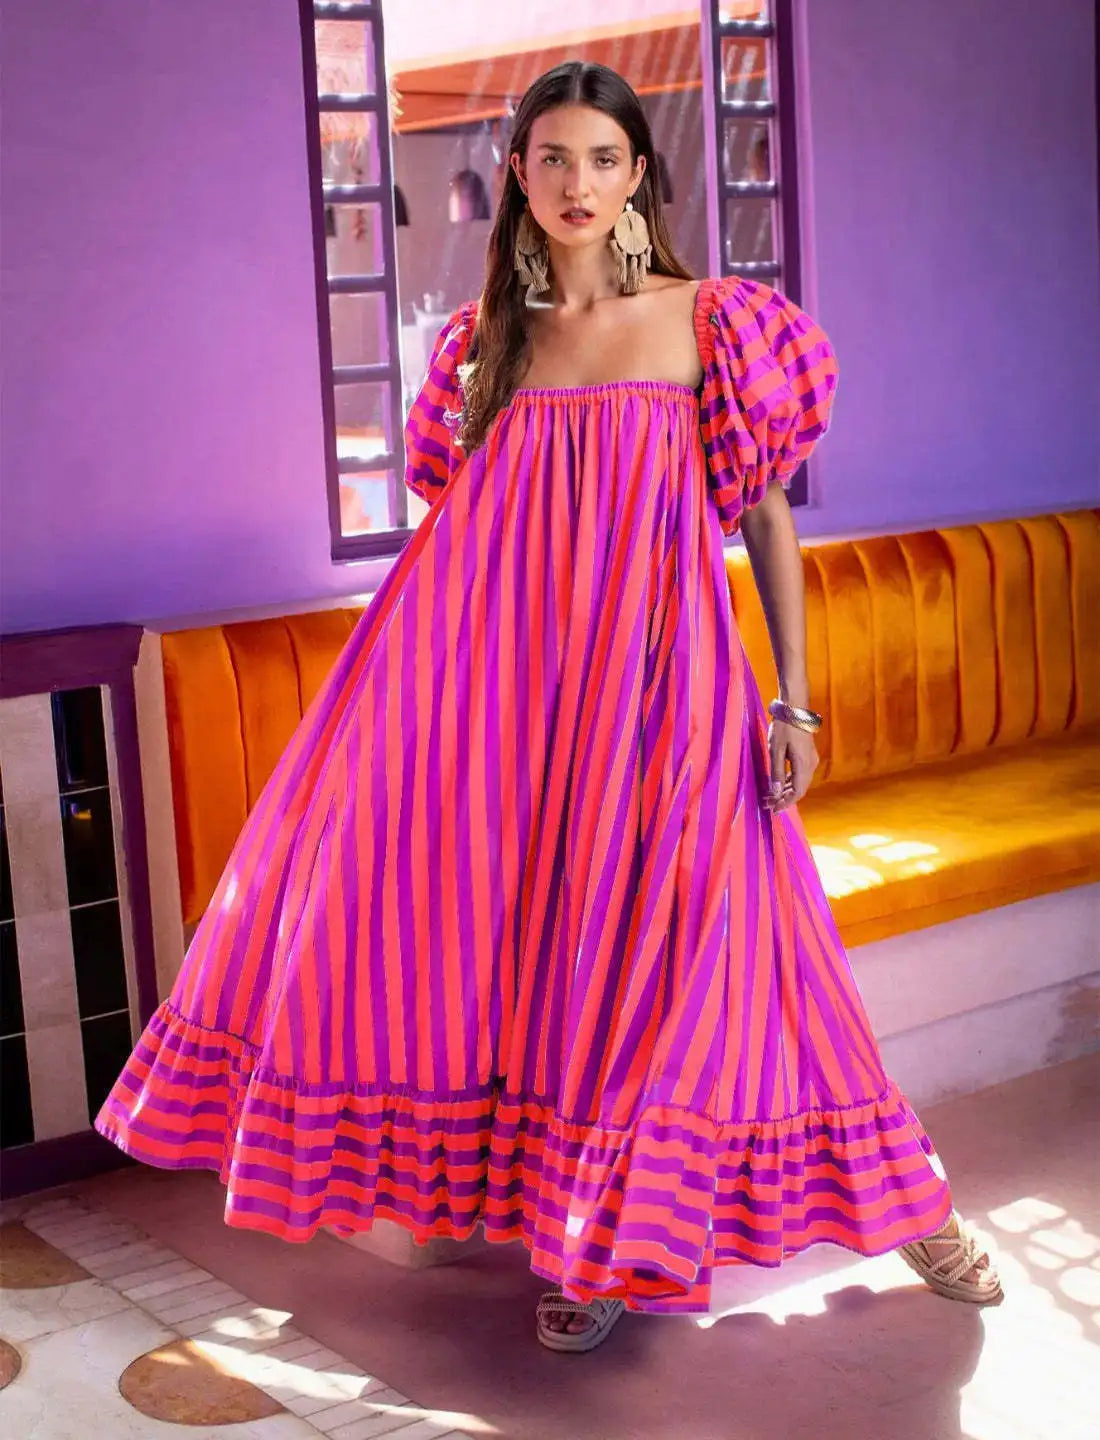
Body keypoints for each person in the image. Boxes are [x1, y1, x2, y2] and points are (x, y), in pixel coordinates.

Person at [95, 61, 1002, 1354]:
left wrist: (794, 703)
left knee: (739, 948)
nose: (577, 184)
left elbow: (768, 516)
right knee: (551, 967)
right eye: (553, 160)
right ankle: (588, 1249)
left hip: (673, 692)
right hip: (498, 707)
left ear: (639, 177)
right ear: (519, 177)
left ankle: (915, 1208)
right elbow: (473, 542)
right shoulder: (482, 346)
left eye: (602, 160)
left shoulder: (715, 323)